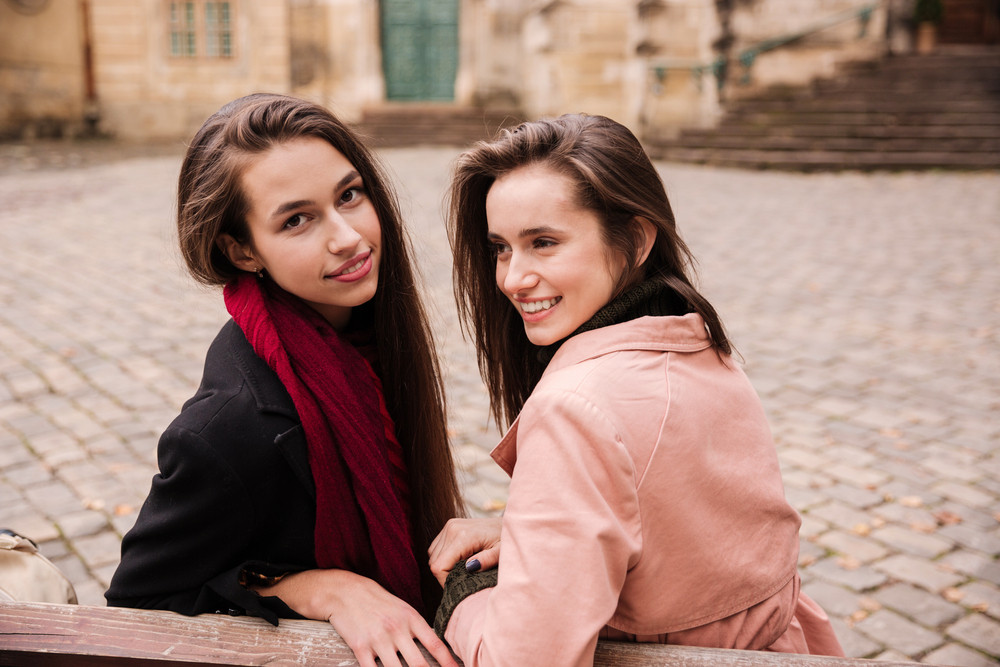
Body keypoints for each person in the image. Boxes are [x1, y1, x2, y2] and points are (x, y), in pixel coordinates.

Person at [427, 114, 845, 666]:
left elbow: (522, 658)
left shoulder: (574, 409)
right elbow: (674, 521)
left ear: (638, 238)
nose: (511, 278)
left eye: (544, 243)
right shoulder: (695, 342)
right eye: (501, 248)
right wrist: (539, 540)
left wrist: (466, 595)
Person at [106, 93, 463, 667]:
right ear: (243, 250)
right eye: (297, 220)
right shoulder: (228, 429)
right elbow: (135, 605)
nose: (347, 237)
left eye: (350, 195)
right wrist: (315, 586)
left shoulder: (367, 334)